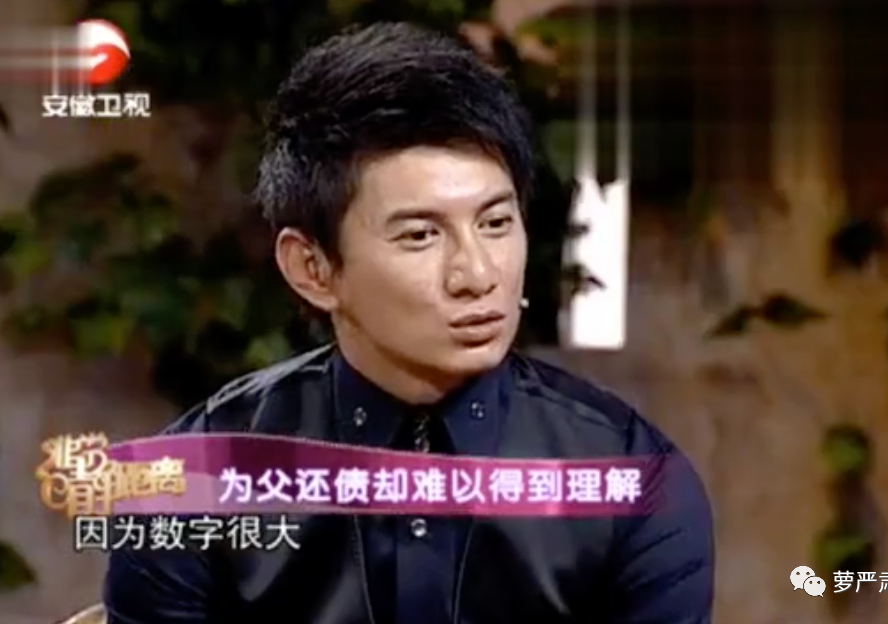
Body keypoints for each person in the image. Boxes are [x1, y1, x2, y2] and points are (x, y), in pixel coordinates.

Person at [104, 21, 714, 624]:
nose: (477, 273)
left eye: (496, 224)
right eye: (421, 235)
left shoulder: (632, 480)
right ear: (312, 269)